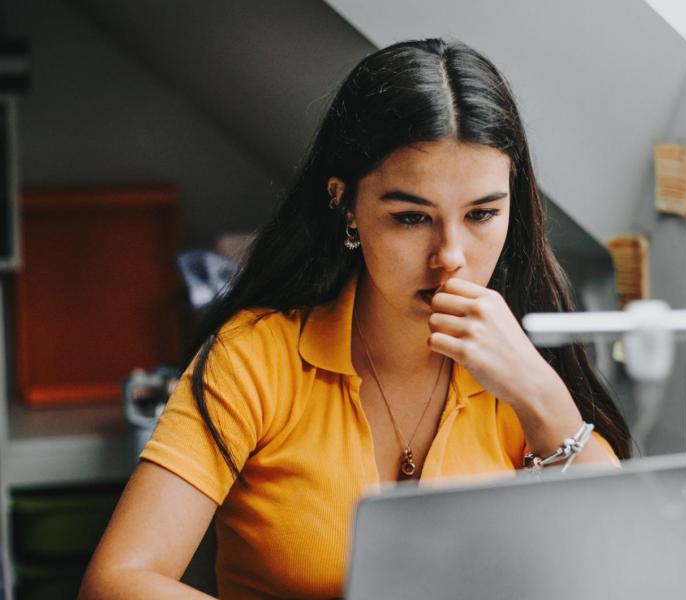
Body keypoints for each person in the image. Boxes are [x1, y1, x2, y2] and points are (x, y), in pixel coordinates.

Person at [79, 38, 631, 600]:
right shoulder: (255, 356)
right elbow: (115, 583)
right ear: (346, 205)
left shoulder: (521, 369)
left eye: (483, 213)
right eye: (412, 217)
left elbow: (623, 569)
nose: (451, 255)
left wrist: (540, 393)